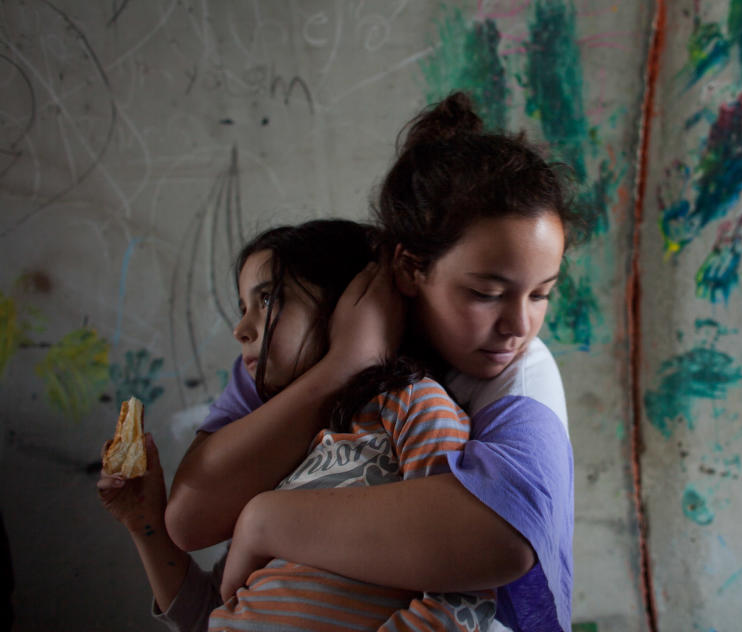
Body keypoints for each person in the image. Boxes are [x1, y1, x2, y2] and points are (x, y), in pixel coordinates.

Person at [166, 92, 581, 631]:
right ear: (409, 268)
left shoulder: (521, 370)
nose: (519, 326)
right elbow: (189, 518)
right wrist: (345, 367)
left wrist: (265, 521)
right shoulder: (308, 334)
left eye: (541, 294)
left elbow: (502, 539)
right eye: (485, 293)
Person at [99, 220, 498, 631]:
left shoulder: (415, 406)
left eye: (268, 299)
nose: (241, 329)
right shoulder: (281, 457)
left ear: (348, 300)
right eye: (243, 307)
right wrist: (144, 523)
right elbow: (211, 615)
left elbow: (460, 591)